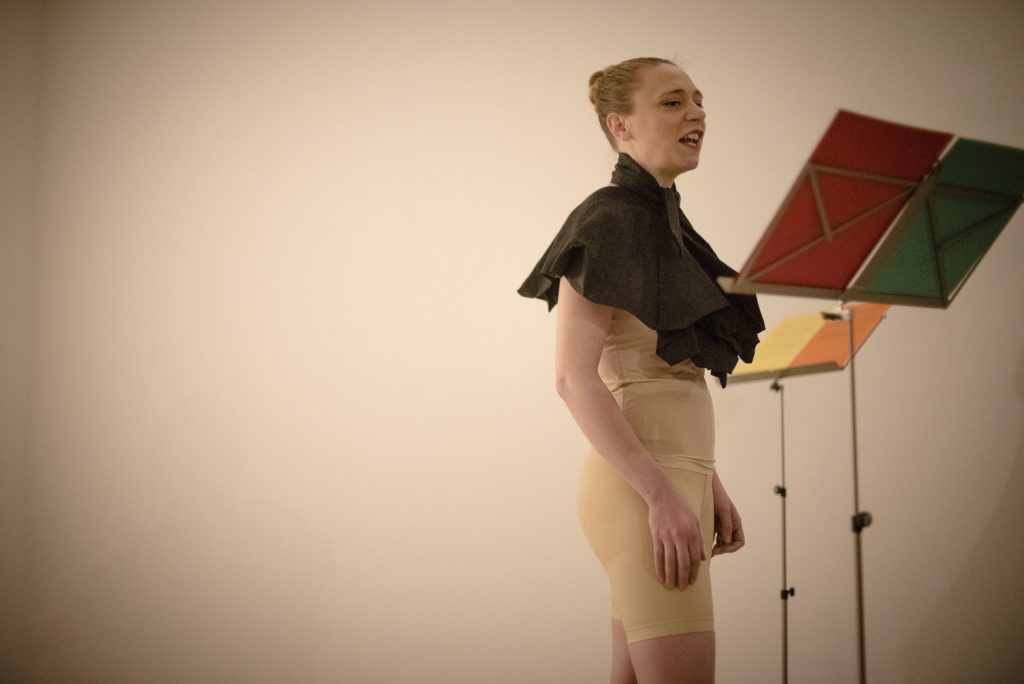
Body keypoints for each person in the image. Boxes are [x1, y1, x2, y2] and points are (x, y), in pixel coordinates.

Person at [517, 57, 764, 683]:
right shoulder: (606, 219)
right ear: (619, 125)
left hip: (672, 484)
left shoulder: (665, 223)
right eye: (673, 101)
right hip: (641, 493)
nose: (697, 113)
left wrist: (708, 483)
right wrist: (662, 494)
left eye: (699, 100)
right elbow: (575, 379)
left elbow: (663, 379)